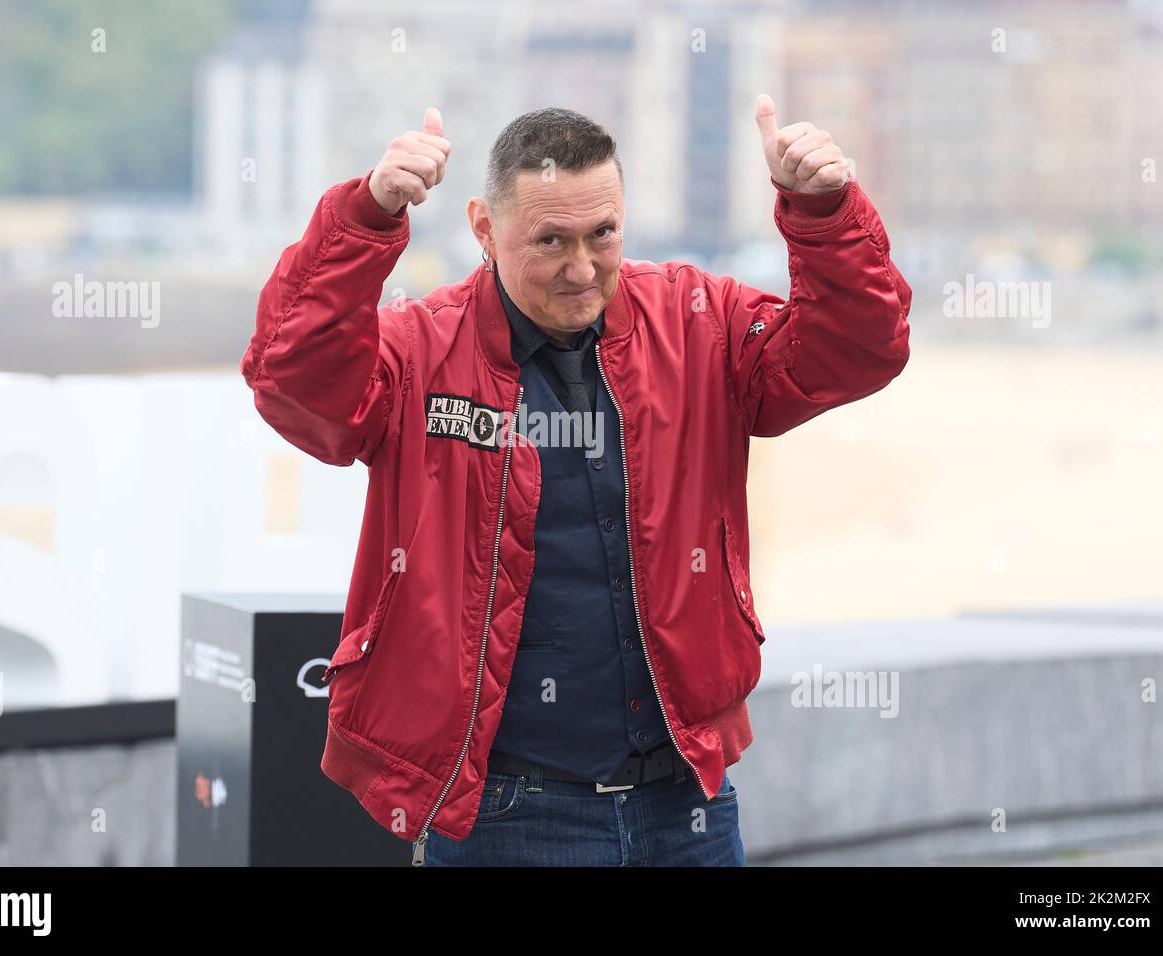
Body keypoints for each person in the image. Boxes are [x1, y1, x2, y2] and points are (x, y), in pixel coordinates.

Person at [240, 97, 911, 866]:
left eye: (603, 236)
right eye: (550, 240)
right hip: (503, 811)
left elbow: (859, 351)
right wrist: (365, 219)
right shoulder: (418, 350)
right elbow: (289, 380)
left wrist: (823, 214)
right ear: (484, 229)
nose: (582, 267)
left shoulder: (702, 323)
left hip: (686, 799)